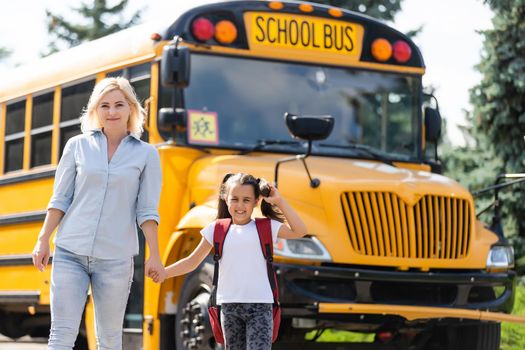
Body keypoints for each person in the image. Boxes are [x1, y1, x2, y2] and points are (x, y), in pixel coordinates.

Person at [31, 77, 165, 350]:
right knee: (61, 334)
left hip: (116, 258)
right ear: (95, 110)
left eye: (119, 104)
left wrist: (155, 254)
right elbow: (60, 198)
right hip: (70, 251)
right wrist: (43, 238)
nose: (112, 112)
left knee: (109, 339)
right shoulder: (77, 146)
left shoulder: (147, 155)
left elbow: (147, 210)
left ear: (131, 108)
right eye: (104, 105)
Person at [158, 173, 307, 350]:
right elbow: (192, 261)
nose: (240, 205)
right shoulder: (216, 229)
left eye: (246, 200)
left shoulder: (266, 227)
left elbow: (300, 230)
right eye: (234, 199)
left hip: (261, 306)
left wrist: (279, 201)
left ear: (256, 201)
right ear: (224, 198)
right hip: (229, 307)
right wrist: (164, 272)